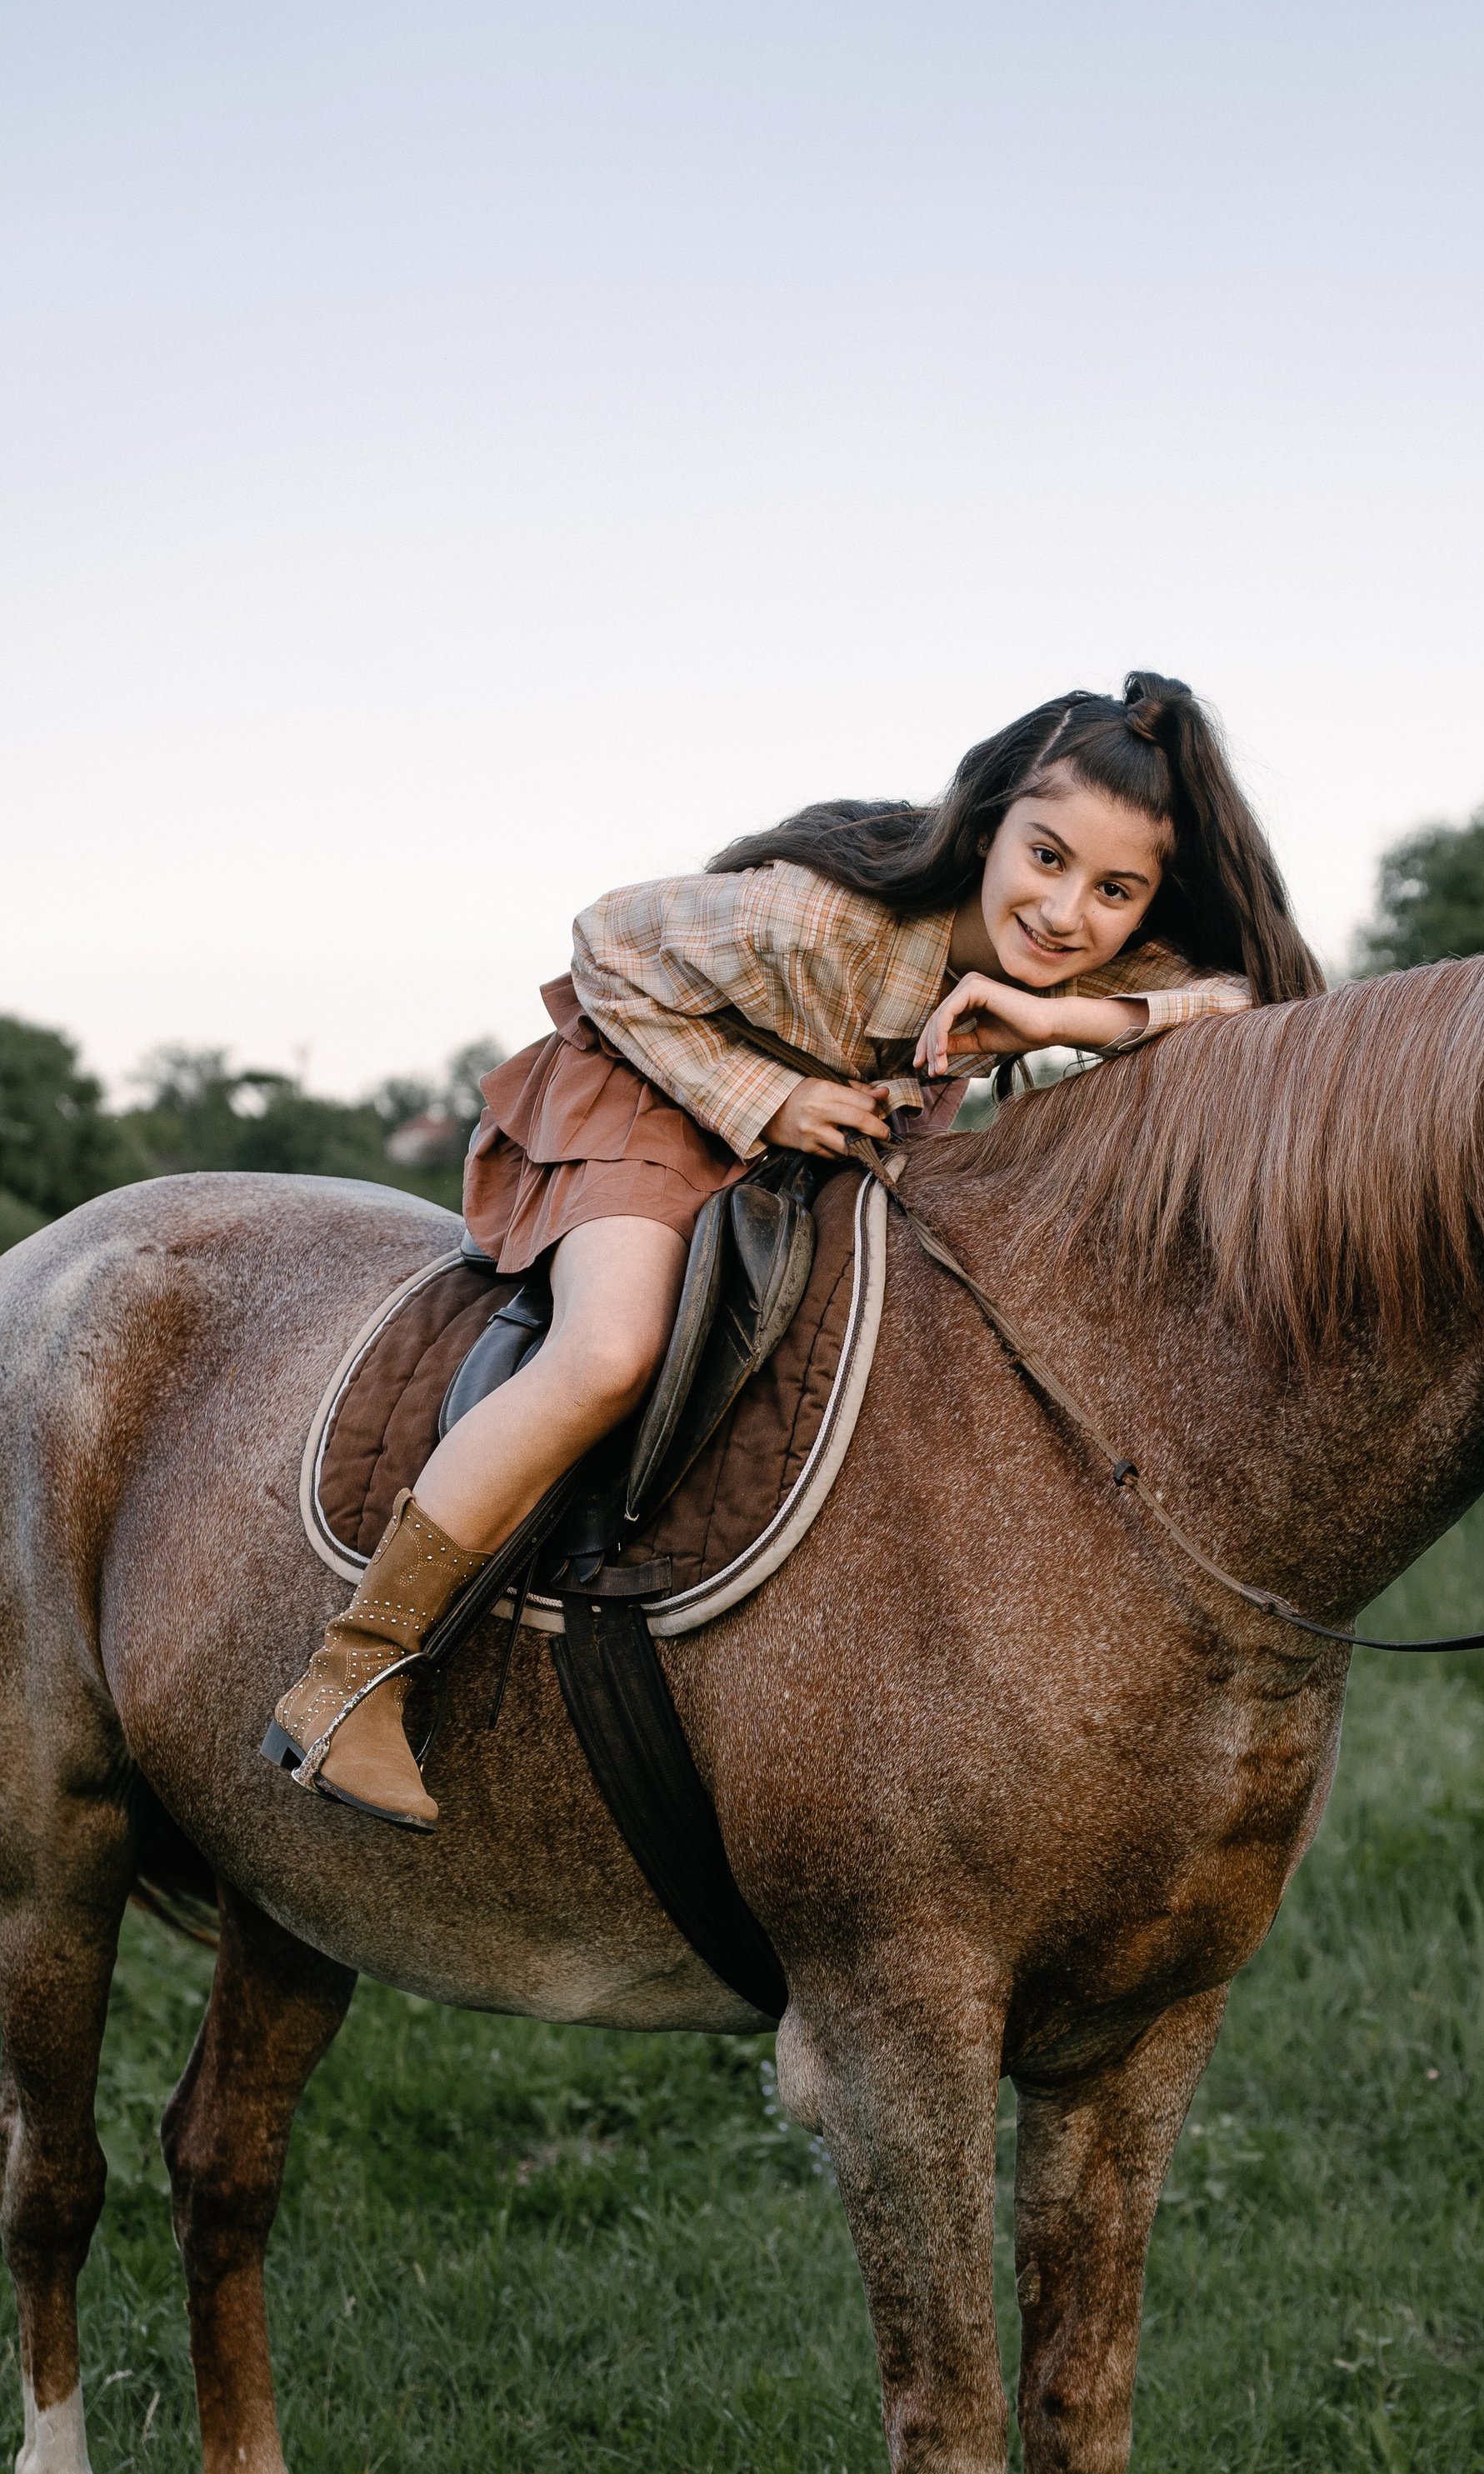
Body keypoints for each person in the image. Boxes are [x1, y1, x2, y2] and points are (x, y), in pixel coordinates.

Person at [268, 672, 1323, 1830]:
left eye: (1116, 891)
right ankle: (353, 1674)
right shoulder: (827, 919)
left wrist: (1065, 1019)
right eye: (1048, 857)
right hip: (655, 1084)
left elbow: (1255, 1001)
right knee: (614, 1346)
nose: (1069, 913)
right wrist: (771, 1097)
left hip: (809, 1146)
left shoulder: (1072, 963)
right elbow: (606, 941)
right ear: (988, 827)